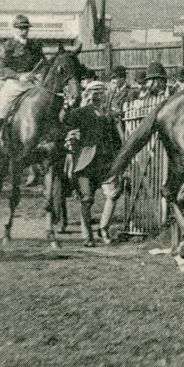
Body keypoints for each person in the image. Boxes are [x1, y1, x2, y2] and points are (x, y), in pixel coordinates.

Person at [63, 81, 123, 246]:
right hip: (85, 163)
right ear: (88, 95)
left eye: (102, 93)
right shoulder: (79, 113)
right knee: (87, 199)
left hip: (105, 162)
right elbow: (68, 133)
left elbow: (117, 140)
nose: (99, 96)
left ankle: (103, 228)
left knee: (113, 194)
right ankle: (87, 236)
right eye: (96, 93)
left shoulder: (109, 116)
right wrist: (71, 140)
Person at [0, 14, 46, 150]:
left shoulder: (35, 45)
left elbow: (43, 62)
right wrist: (18, 76)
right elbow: (0, 67)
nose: (23, 31)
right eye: (20, 28)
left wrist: (40, 73)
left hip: (33, 81)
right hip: (15, 82)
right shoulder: (7, 46)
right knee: (5, 102)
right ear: (14, 29)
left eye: (26, 28)